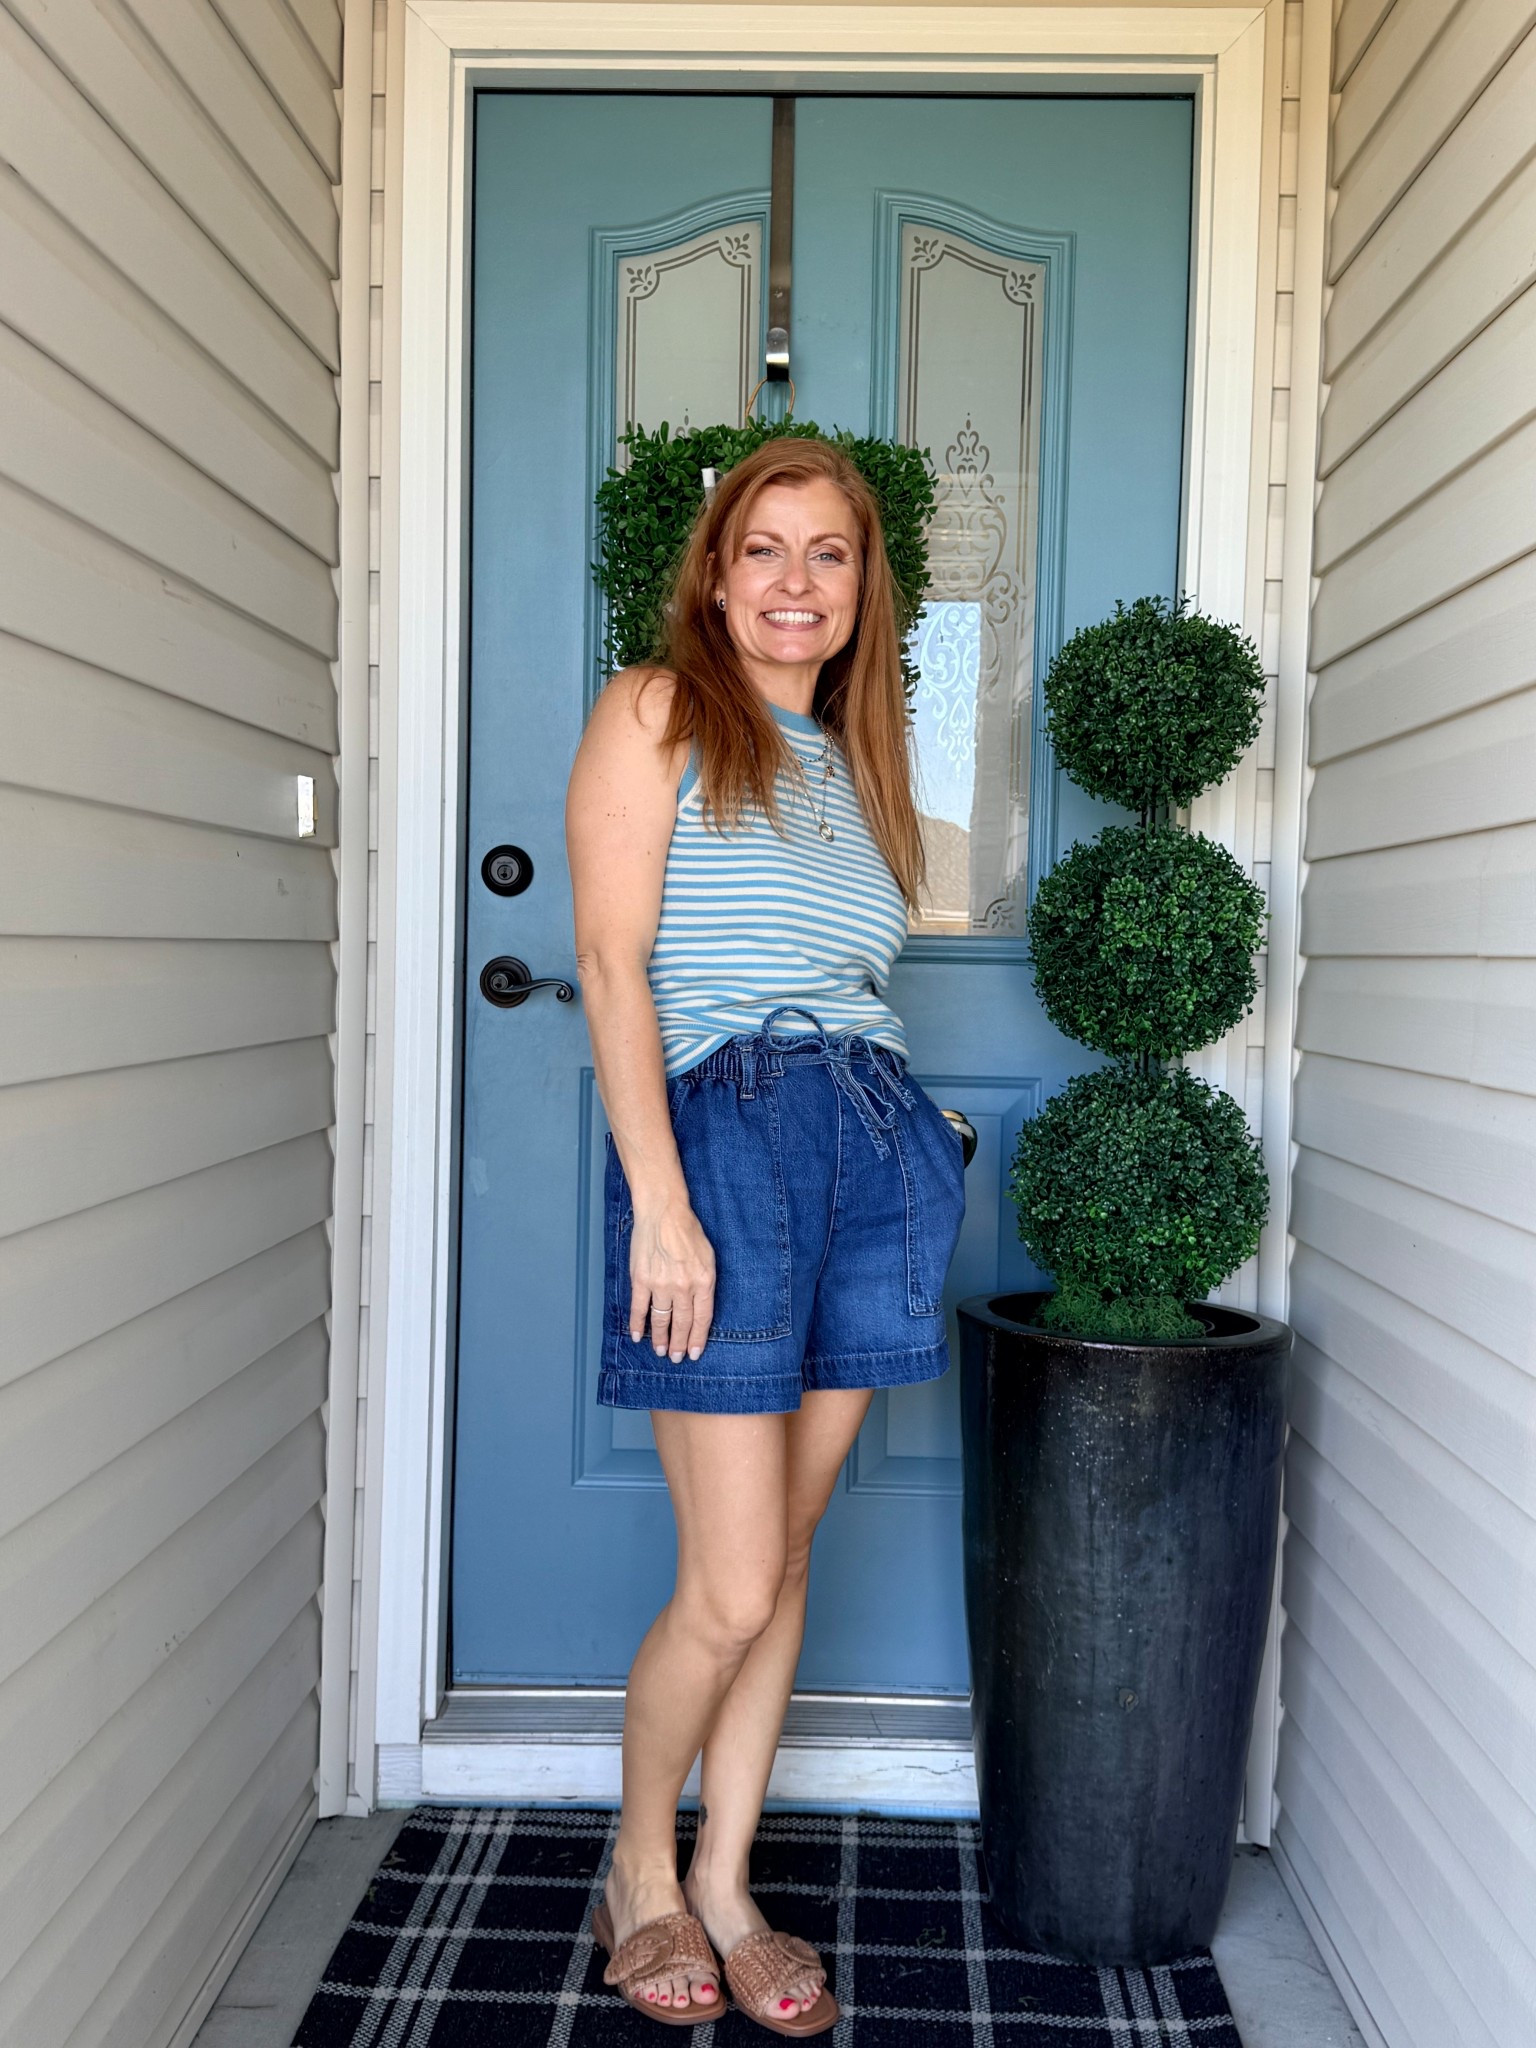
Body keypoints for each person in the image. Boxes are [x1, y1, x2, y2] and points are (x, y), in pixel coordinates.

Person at [566, 435, 967, 2034]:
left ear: (867, 587)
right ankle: (639, 1870)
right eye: (764, 550)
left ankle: (725, 1881)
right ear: (714, 573)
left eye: (830, 555)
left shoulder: (862, 766)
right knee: (728, 1584)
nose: (796, 583)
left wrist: (913, 1143)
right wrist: (662, 1202)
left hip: (873, 1144)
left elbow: (864, 982)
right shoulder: (655, 712)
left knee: (792, 1553)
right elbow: (611, 967)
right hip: (720, 1140)